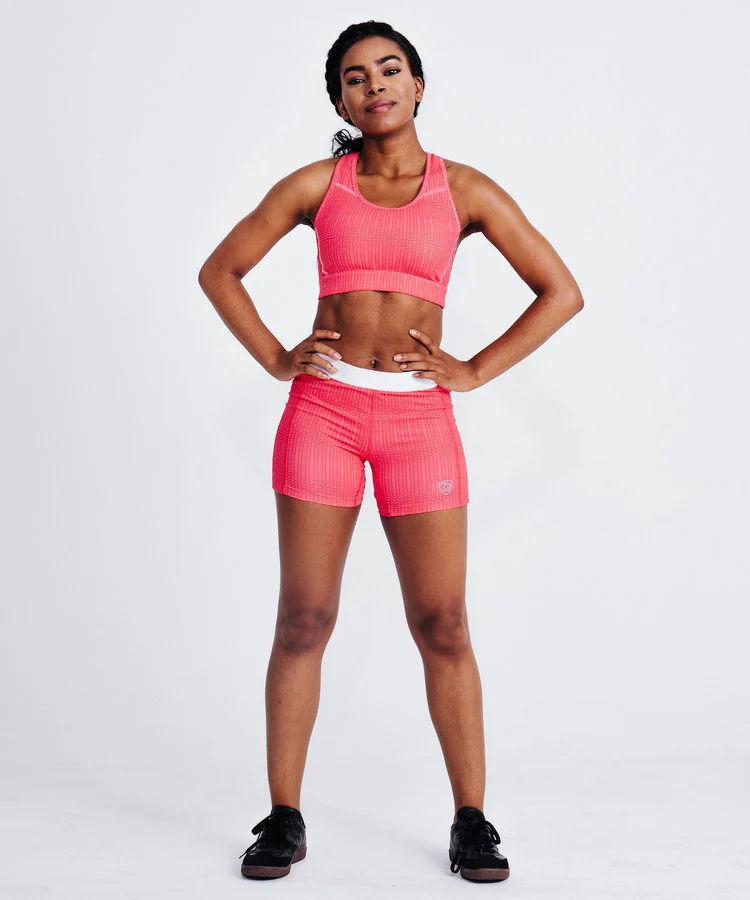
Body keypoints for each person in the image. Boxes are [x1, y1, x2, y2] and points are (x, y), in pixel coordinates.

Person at [198, 19, 583, 884]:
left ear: (418, 86)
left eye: (391, 70)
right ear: (340, 99)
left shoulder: (468, 191)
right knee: (305, 618)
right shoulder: (314, 186)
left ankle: (473, 821)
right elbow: (220, 270)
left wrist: (474, 369)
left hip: (419, 421)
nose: (375, 86)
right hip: (323, 413)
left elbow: (562, 292)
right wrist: (273, 355)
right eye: (355, 77)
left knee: (442, 623)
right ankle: (283, 817)